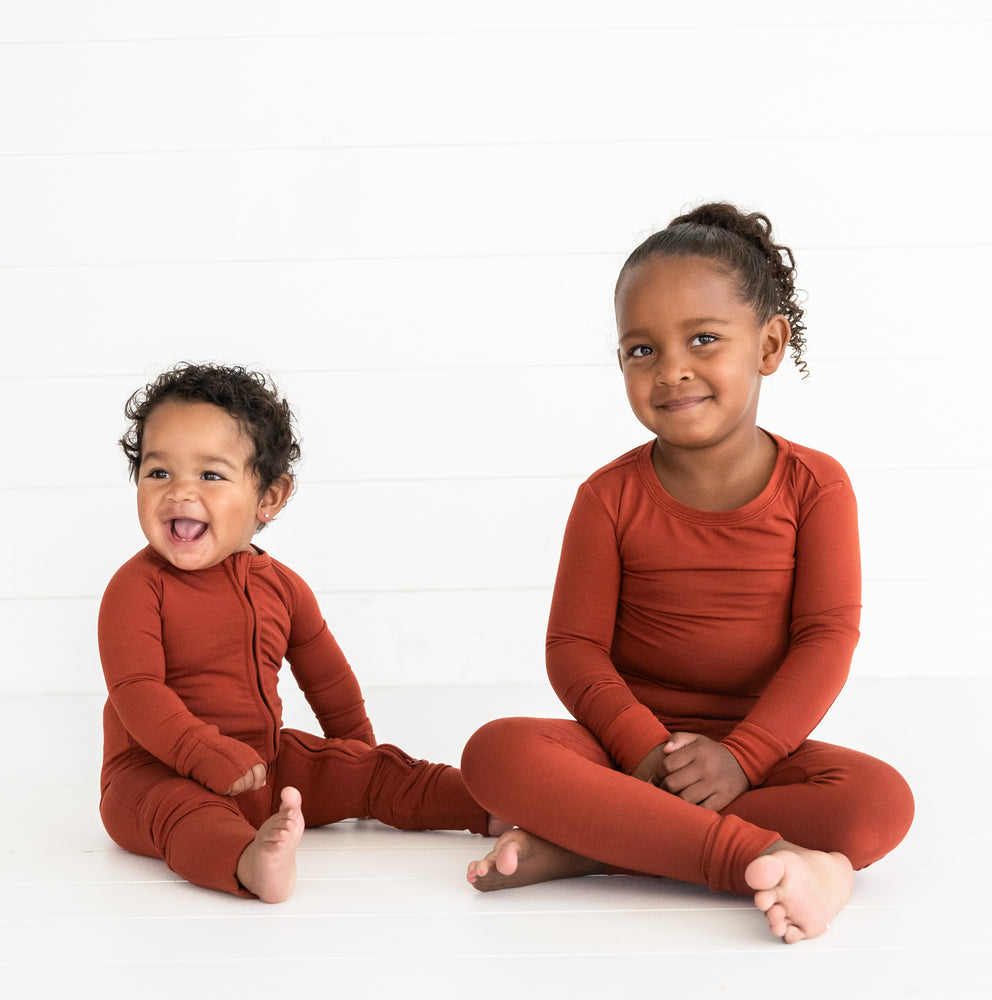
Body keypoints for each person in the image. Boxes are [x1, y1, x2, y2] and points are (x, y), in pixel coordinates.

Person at [461, 203, 914, 943]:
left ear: (769, 345)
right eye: (641, 350)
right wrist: (642, 748)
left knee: (877, 803)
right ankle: (764, 858)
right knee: (495, 753)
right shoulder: (606, 498)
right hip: (626, 752)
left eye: (703, 339)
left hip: (755, 752)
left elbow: (826, 640)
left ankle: (596, 843)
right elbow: (573, 650)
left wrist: (741, 758)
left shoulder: (816, 487)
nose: (672, 370)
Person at [99, 363, 505, 902]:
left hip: (264, 763)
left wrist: (360, 760)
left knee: (383, 769)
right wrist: (202, 753)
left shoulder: (284, 588)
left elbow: (328, 680)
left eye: (211, 475)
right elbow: (137, 693)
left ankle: (493, 807)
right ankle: (248, 863)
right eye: (158, 473)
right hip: (155, 774)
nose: (179, 493)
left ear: (269, 496)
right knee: (186, 816)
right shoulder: (136, 588)